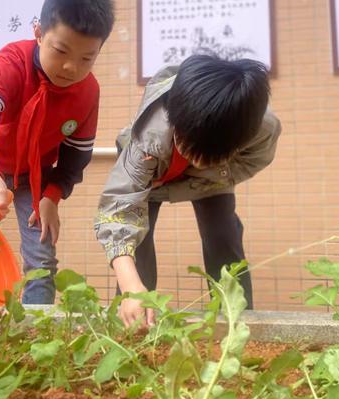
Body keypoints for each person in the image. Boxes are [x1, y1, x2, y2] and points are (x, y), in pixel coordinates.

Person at [0, 0, 115, 304]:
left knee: (42, 261)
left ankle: (36, 339)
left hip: (35, 177)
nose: (71, 67)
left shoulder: (88, 91)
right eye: (61, 51)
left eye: (87, 58)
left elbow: (75, 157)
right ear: (38, 32)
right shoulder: (12, 61)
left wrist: (53, 196)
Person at [94, 55, 281, 328]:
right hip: (153, 175)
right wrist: (132, 286)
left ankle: (238, 324)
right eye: (189, 150)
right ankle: (134, 320)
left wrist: (195, 177)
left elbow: (252, 162)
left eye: (209, 158)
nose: (197, 162)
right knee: (137, 247)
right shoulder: (149, 139)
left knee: (223, 235)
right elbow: (118, 209)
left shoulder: (259, 127)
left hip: (211, 182)